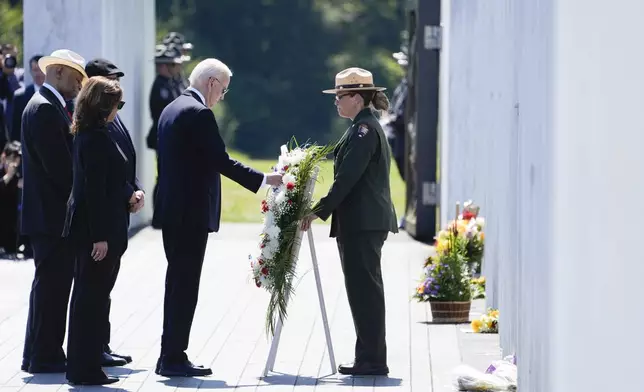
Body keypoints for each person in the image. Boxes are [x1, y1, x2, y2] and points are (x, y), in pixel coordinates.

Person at [152, 58, 282, 377]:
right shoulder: (199, 113)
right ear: (211, 83)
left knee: (177, 282)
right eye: (222, 90)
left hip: (173, 210)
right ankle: (172, 357)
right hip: (189, 213)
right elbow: (220, 160)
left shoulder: (172, 107)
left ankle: (169, 353)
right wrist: (264, 179)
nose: (221, 96)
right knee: (184, 285)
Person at [301, 67, 399, 376]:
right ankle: (368, 356)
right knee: (362, 290)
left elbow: (346, 180)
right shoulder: (361, 126)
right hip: (361, 222)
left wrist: (318, 211)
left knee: (365, 290)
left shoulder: (364, 130)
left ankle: (372, 360)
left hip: (363, 222)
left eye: (340, 97)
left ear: (356, 98)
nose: (336, 102)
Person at [20, 49, 86, 374]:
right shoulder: (46, 109)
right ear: (58, 72)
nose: (78, 87)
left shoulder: (48, 106)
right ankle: (44, 355)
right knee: (52, 288)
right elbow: (60, 170)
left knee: (49, 286)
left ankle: (38, 352)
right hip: (51, 217)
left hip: (48, 215)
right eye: (76, 79)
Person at [62, 76, 130, 386]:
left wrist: (130, 194)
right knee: (91, 300)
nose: (119, 109)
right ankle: (85, 368)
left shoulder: (87, 133)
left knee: (87, 298)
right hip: (96, 231)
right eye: (118, 104)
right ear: (106, 106)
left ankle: (82, 366)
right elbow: (95, 192)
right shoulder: (97, 138)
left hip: (89, 226)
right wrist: (100, 236)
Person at [84, 58, 144, 366]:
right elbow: (99, 177)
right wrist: (126, 192)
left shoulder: (111, 117)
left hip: (119, 208)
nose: (117, 87)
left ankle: (101, 345)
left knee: (105, 287)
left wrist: (134, 190)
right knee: (96, 288)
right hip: (105, 216)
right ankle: (93, 350)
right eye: (111, 79)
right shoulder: (93, 125)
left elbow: (123, 161)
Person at [146, 44, 183, 217]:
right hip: (163, 136)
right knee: (163, 177)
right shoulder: (160, 86)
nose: (177, 68)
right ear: (163, 66)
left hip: (171, 137)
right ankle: (159, 216)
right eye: (173, 65)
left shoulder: (170, 84)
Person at [10, 55, 45, 142]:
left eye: (41, 70)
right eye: (35, 70)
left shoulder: (58, 95)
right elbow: (16, 128)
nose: (38, 74)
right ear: (30, 71)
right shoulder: (20, 96)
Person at [0, 141, 21, 257]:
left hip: (9, 227)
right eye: (13, 158)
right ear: (4, 157)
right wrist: (8, 176)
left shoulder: (16, 176)